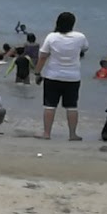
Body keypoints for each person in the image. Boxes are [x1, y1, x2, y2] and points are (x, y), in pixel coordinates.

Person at [37, 11, 88, 140]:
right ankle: (72, 134)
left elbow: (43, 57)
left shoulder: (51, 37)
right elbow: (84, 49)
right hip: (73, 77)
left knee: (49, 106)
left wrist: (37, 72)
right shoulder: (80, 37)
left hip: (52, 76)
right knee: (72, 106)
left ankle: (47, 133)